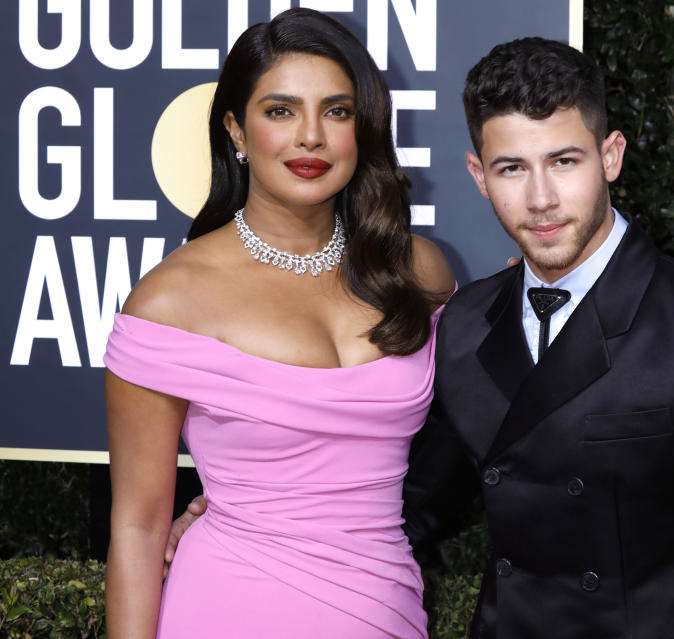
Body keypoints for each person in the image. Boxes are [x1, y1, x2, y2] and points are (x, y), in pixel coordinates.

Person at [169, 37, 674, 638]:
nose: (541, 198)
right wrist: (244, 514)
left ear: (611, 156)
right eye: (512, 168)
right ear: (480, 176)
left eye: (563, 161)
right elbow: (405, 498)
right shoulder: (466, 321)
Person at [104, 8, 453, 639]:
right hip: (227, 608)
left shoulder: (418, 270)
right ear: (236, 131)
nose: (311, 137)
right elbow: (137, 526)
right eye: (281, 111)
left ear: (362, 129)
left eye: (337, 111)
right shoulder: (170, 301)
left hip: (386, 609)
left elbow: (475, 437)